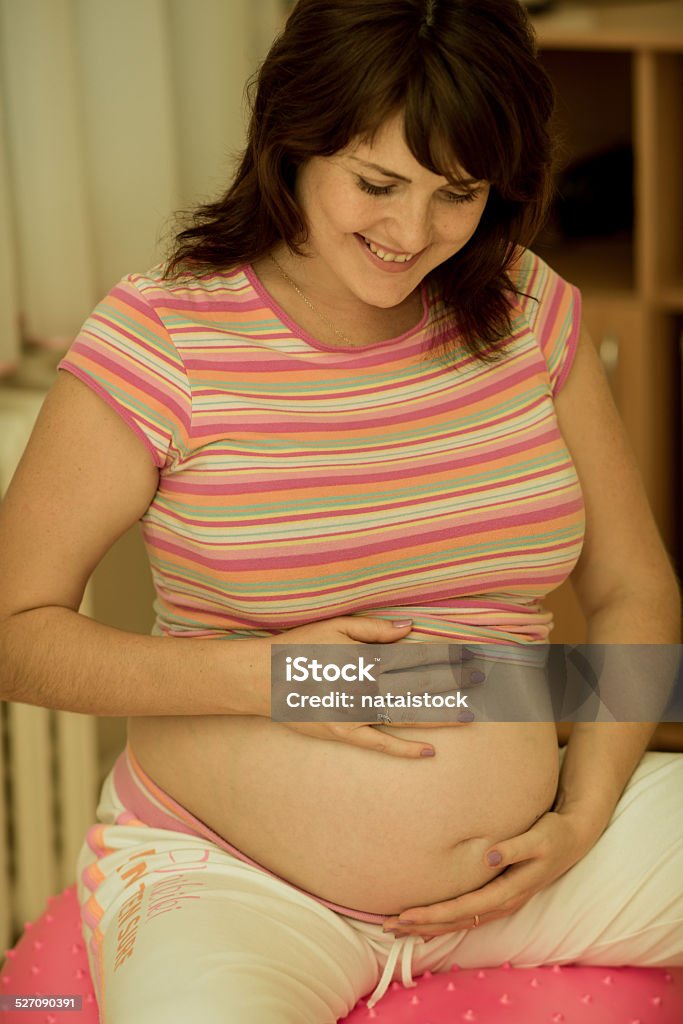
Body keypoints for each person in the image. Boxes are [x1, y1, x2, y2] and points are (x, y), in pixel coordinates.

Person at [0, 1, 681, 1021]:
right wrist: (277, 676)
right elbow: (15, 632)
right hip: (234, 880)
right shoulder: (164, 337)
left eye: (457, 193)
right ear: (292, 140)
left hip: (528, 857)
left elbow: (632, 594)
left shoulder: (529, 309)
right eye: (376, 183)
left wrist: (580, 812)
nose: (412, 234)